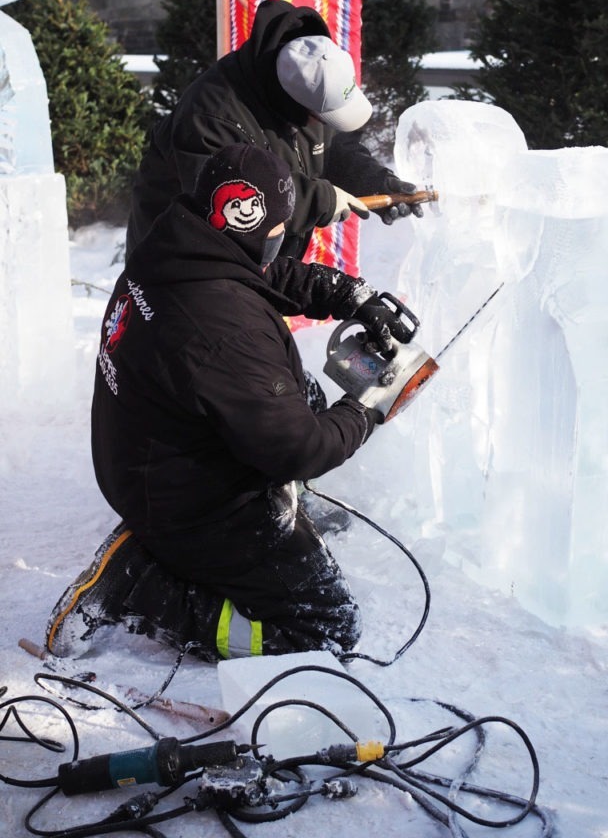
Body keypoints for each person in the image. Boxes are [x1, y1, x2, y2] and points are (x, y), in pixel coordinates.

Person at [45, 143, 418, 661]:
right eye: (278, 229)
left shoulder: (176, 247)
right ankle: (146, 588)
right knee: (326, 629)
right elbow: (300, 449)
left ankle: (269, 513)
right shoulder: (224, 331)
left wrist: (350, 296)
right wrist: (367, 405)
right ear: (247, 225)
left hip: (141, 457)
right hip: (187, 503)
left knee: (300, 394)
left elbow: (262, 276)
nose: (282, 238)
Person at [126, 0, 422, 258]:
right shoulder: (211, 117)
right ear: (293, 105)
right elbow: (235, 202)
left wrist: (374, 182)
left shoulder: (307, 81)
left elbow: (332, 149)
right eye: (320, 117)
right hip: (181, 265)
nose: (322, 125)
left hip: (252, 262)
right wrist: (319, 200)